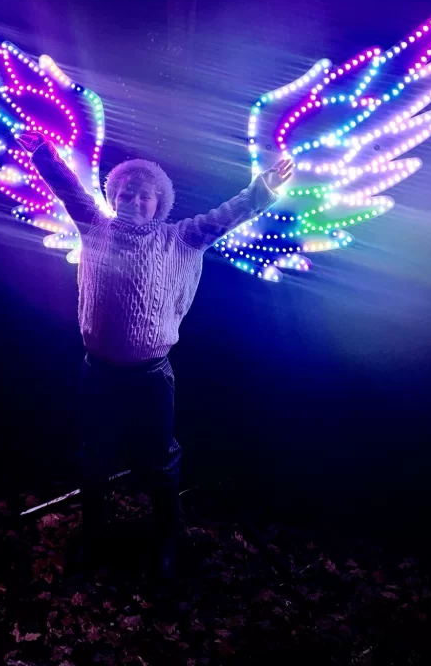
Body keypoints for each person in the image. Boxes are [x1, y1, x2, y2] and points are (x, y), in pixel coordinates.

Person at [16, 130, 293, 578]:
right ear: (113, 196)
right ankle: (93, 535)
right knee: (93, 458)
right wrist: (42, 153)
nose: (134, 197)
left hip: (151, 376)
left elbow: (226, 216)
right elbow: (67, 186)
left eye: (145, 194)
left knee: (161, 460)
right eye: (126, 190)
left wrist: (262, 191)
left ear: (159, 205)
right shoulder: (94, 224)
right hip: (99, 372)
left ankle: (167, 538)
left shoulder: (180, 239)